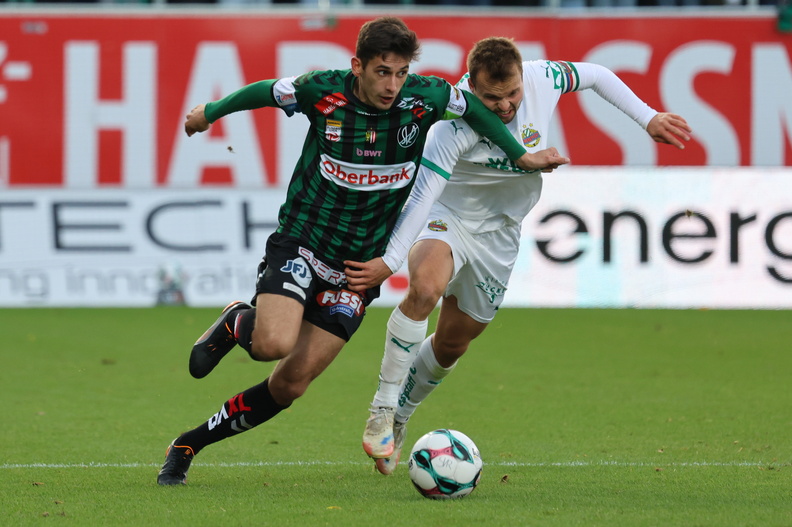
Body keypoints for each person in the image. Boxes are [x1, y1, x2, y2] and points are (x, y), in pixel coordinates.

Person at [156, 18, 569, 485]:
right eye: (382, 72)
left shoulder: (426, 97)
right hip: (304, 240)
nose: (392, 85)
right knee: (272, 345)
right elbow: (266, 91)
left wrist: (520, 155)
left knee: (291, 384)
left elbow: (477, 109)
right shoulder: (321, 91)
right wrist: (210, 113)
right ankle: (239, 321)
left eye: (401, 73)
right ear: (358, 66)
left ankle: (187, 445)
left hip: (358, 266)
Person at [346, 37, 692, 475]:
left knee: (453, 343)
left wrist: (648, 117)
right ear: (472, 86)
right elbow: (422, 196)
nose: (507, 105)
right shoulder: (450, 123)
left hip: (501, 233)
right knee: (425, 289)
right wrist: (392, 259)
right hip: (448, 216)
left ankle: (401, 415)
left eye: (512, 94)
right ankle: (382, 408)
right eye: (493, 98)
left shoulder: (542, 77)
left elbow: (598, 75)